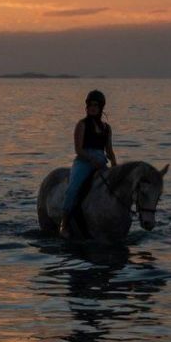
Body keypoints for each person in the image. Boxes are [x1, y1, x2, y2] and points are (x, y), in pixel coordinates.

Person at [62, 89, 116, 239]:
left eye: (96, 105)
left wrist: (115, 165)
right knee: (73, 188)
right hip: (84, 161)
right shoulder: (82, 125)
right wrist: (92, 160)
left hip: (101, 161)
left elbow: (109, 150)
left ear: (101, 107)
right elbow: (78, 149)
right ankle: (64, 223)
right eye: (90, 105)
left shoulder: (107, 128)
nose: (92, 107)